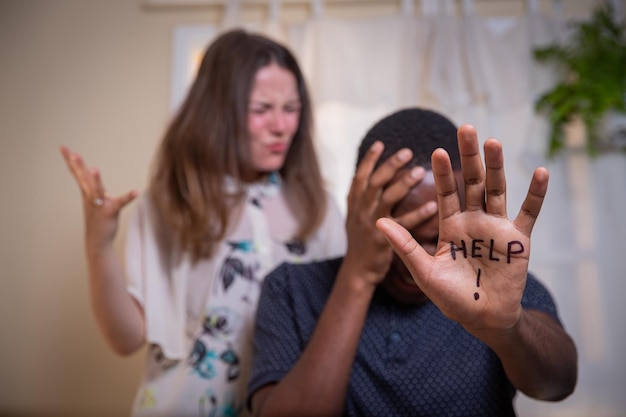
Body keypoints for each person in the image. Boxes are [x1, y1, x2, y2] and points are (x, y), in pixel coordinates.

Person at [60, 29, 346, 417]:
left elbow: (339, 331)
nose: (281, 126)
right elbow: (126, 339)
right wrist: (98, 245)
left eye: (291, 108)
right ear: (218, 111)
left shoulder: (318, 208)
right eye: (262, 109)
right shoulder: (170, 206)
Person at [247, 108, 578, 416]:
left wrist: (509, 329)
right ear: (360, 211)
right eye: (400, 238)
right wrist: (357, 277)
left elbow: (558, 385)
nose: (417, 262)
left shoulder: (495, 286)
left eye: (439, 240)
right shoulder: (290, 288)